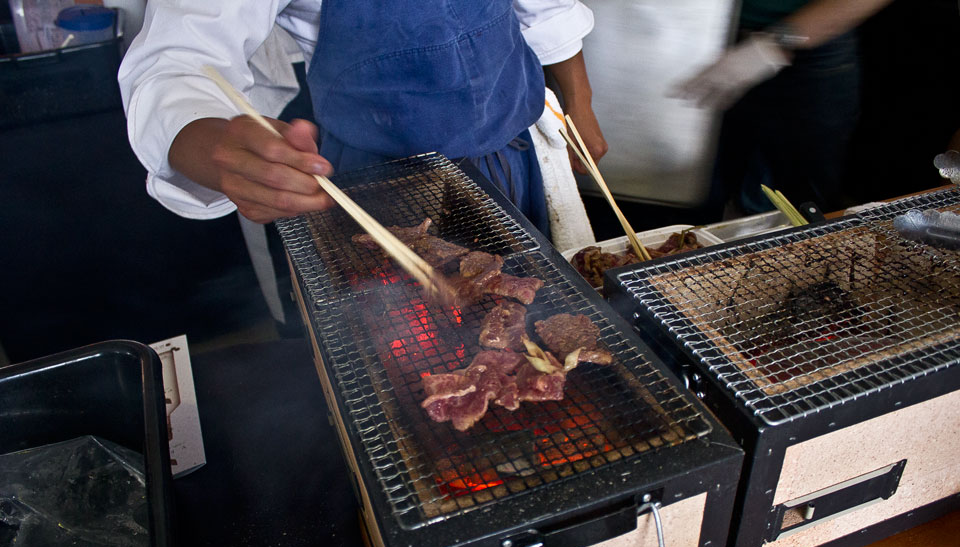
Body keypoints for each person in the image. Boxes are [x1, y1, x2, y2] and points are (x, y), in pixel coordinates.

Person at [117, 1, 606, 236]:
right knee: (407, 354)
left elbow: (546, 9)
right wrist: (216, 147)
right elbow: (178, 63)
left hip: (510, 152)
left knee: (533, 316)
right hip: (375, 182)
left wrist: (580, 105)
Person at [671, 0, 894, 223]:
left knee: (799, 206)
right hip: (690, 33)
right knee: (681, 202)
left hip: (813, 46)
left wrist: (778, 41)